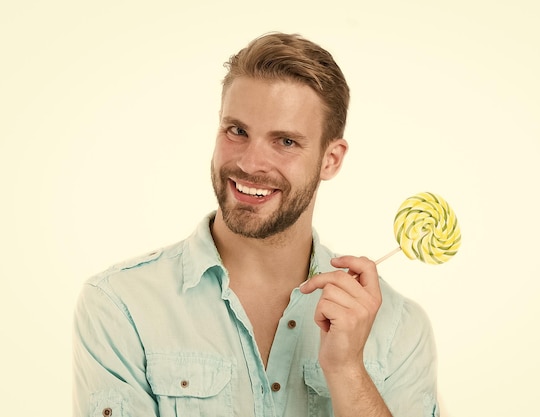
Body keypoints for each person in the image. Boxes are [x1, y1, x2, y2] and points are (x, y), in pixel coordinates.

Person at [73, 32, 439, 417]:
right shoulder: (121, 304)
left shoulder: (399, 329)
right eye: (237, 131)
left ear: (331, 159)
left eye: (285, 142)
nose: (249, 163)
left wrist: (347, 371)